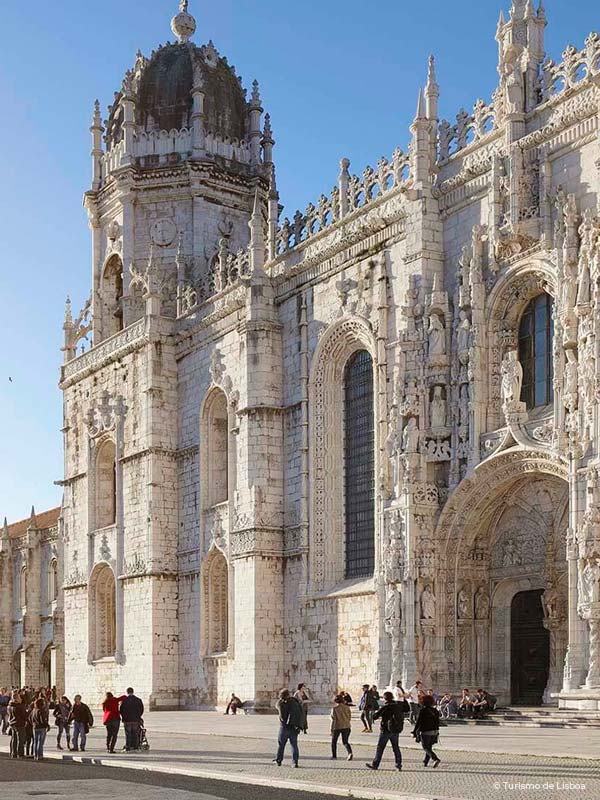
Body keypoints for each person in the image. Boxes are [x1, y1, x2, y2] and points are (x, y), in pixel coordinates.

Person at [365, 691, 404, 771]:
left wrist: (372, 711)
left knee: (380, 748)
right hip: (395, 730)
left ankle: (375, 765)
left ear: (385, 699)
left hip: (385, 730)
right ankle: (398, 765)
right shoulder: (397, 706)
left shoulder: (385, 707)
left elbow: (375, 717)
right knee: (396, 748)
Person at [274, 689, 304, 767]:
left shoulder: (280, 703)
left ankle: (278, 760)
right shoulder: (295, 702)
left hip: (284, 727)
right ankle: (295, 762)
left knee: (281, 745)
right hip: (294, 727)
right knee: (294, 745)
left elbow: (281, 716)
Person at [413, 694, 441, 768]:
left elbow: (418, 722)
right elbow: (438, 722)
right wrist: (437, 730)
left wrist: (414, 731)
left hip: (426, 731)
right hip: (434, 731)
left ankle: (435, 758)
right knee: (429, 747)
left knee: (425, 747)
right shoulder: (435, 711)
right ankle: (425, 762)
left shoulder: (423, 711)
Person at [120, 687, 144, 752]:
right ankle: (136, 747)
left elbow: (121, 710)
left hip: (127, 720)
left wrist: (124, 717)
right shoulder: (138, 700)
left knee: (128, 734)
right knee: (135, 733)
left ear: (127, 692)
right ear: (133, 692)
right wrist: (138, 716)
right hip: (136, 719)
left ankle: (128, 746)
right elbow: (141, 709)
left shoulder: (124, 701)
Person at [330, 694, 353, 761]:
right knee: (345, 742)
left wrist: (332, 729)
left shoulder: (335, 709)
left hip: (337, 727)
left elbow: (333, 720)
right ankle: (350, 753)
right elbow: (349, 717)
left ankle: (334, 756)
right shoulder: (347, 707)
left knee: (334, 742)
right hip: (347, 726)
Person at [7, 690, 27, 759]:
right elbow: (24, 715)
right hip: (20, 724)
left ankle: (13, 753)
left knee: (14, 739)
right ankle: (20, 754)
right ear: (17, 699)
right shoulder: (19, 706)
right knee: (20, 740)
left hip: (13, 723)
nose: (21, 699)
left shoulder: (9, 706)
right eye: (19, 698)